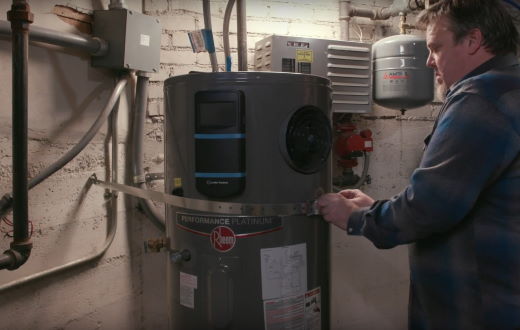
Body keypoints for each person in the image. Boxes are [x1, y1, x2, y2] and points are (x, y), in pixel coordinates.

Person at [317, 0, 520, 329]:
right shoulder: (510, 87)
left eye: (436, 48)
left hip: (474, 307)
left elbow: (430, 208)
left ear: (473, 41)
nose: (428, 62)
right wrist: (378, 207)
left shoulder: (480, 98)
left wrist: (356, 218)